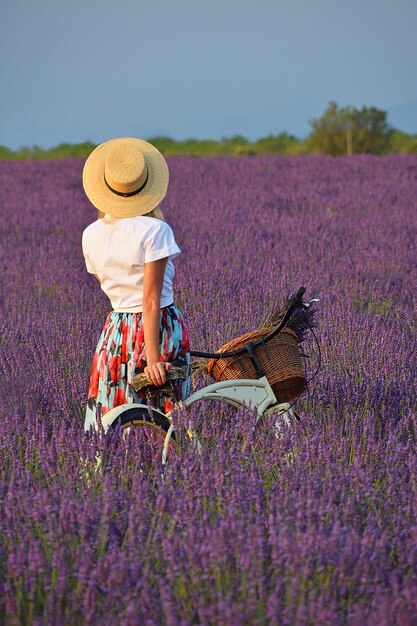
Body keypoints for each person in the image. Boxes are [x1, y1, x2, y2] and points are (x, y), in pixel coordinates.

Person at [81, 137, 190, 432]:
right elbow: (151, 301)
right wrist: (153, 358)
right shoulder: (155, 230)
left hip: (115, 332)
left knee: (113, 411)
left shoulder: (90, 234)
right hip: (159, 328)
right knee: (167, 418)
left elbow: (105, 283)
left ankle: (110, 473)